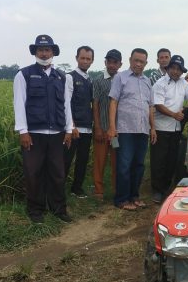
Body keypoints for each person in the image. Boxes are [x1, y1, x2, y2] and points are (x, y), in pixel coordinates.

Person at [13, 34, 73, 223]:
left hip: (57, 133)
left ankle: (58, 209)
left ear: (53, 52)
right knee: (34, 173)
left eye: (47, 50)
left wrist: (69, 129)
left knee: (57, 173)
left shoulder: (61, 77)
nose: (44, 53)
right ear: (35, 52)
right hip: (34, 134)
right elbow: (19, 104)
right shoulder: (24, 74)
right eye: (41, 49)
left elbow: (66, 105)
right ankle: (35, 210)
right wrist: (23, 130)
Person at [107, 48, 157, 211]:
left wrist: (153, 128)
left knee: (139, 165)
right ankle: (121, 199)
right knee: (124, 164)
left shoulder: (147, 81)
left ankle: (134, 196)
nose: (138, 64)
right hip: (125, 129)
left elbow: (150, 107)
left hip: (143, 129)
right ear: (130, 60)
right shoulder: (120, 78)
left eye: (141, 62)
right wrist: (112, 127)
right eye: (136, 60)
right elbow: (113, 102)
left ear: (145, 63)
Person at [150, 55, 188, 203]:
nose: (176, 72)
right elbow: (158, 105)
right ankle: (157, 191)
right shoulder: (160, 84)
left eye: (179, 69)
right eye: (173, 68)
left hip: (176, 129)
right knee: (159, 160)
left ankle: (166, 188)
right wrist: (174, 114)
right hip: (161, 128)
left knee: (172, 160)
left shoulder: (183, 83)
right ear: (168, 68)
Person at [63, 46, 95, 199]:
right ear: (77, 58)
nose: (85, 61)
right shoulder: (70, 77)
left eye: (88, 59)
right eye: (82, 58)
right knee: (66, 160)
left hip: (87, 128)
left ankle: (77, 188)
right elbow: (67, 103)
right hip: (74, 128)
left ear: (92, 61)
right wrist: (72, 126)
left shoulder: (90, 80)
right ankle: (59, 189)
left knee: (82, 160)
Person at [91, 49, 122, 200]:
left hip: (117, 131)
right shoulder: (98, 80)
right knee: (99, 160)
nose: (112, 65)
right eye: (109, 61)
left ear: (120, 64)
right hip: (102, 129)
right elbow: (95, 105)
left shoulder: (123, 80)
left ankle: (118, 190)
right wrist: (97, 127)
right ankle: (98, 191)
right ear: (105, 62)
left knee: (117, 162)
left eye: (115, 62)